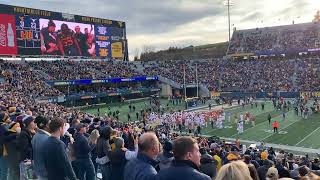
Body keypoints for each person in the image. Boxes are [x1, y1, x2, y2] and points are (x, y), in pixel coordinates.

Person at [32, 116, 51, 180]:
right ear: (46, 125)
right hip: (47, 172)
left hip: (39, 170)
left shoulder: (35, 136)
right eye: (49, 123)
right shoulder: (47, 138)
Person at [0, 112, 11, 180]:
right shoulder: (3, 126)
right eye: (7, 117)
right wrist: (15, 134)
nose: (9, 118)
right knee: (4, 170)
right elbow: (5, 138)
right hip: (3, 150)